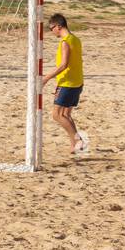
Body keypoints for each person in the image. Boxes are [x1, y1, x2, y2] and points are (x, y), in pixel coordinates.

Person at [42, 13, 88, 154]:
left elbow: (64, 65)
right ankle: (74, 145)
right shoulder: (76, 39)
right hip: (77, 82)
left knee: (57, 115)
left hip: (67, 83)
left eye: (52, 28)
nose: (52, 31)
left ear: (59, 26)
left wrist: (47, 78)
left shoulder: (65, 42)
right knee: (66, 115)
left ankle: (78, 140)